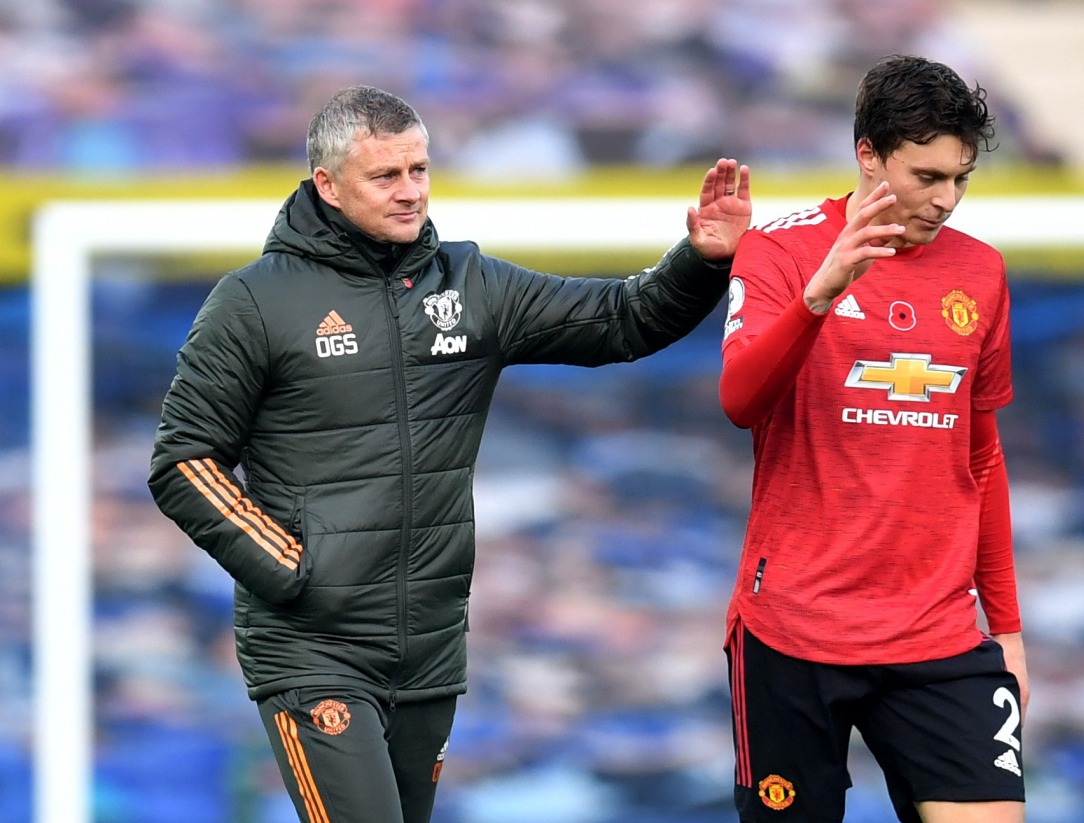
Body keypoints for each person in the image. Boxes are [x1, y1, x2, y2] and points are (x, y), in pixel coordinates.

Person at [147, 84, 751, 823]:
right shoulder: (255, 301)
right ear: (327, 186)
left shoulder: (472, 285)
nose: (411, 193)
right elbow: (183, 459)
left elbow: (621, 321)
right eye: (387, 176)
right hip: (314, 646)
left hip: (429, 645)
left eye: (420, 170)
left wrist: (699, 259)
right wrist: (295, 571)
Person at [719, 55, 1027, 823]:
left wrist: (1009, 627)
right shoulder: (782, 252)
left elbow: (981, 458)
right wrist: (819, 296)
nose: (946, 199)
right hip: (792, 629)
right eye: (927, 175)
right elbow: (739, 400)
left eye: (960, 178)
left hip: (938, 633)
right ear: (868, 153)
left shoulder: (981, 273)